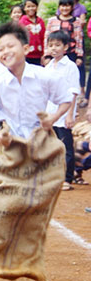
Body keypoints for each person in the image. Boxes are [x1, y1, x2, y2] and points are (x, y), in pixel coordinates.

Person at [0, 22, 71, 151]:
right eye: (1, 49)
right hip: (13, 147)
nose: (6, 52)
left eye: (10, 46)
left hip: (42, 145)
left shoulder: (45, 77)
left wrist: (53, 118)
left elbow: (65, 99)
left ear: (26, 49)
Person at [43, 31, 80, 190]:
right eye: (51, 45)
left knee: (66, 146)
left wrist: (70, 114)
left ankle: (67, 178)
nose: (54, 49)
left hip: (64, 113)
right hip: (50, 111)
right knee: (52, 145)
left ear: (66, 47)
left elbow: (73, 91)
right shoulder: (49, 66)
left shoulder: (70, 67)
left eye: (58, 45)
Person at [47, 0, 85, 100]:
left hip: (71, 53)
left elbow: (79, 38)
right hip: (55, 53)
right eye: (63, 5)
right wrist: (46, 54)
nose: (65, 8)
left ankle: (70, 104)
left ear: (72, 7)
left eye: (67, 5)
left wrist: (79, 56)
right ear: (59, 7)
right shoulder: (52, 20)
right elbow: (47, 38)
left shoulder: (76, 21)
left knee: (69, 78)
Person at [19, 0, 45, 66]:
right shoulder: (22, 21)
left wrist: (44, 53)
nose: (31, 9)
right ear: (24, 8)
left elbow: (44, 37)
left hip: (39, 55)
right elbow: (19, 36)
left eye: (33, 6)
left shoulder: (40, 21)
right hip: (26, 55)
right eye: (28, 6)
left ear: (36, 7)